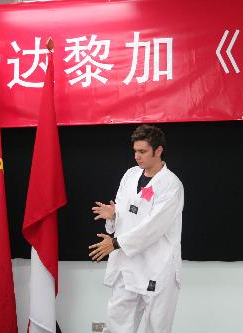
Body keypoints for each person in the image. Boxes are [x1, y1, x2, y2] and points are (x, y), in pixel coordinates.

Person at [89, 124, 184, 333]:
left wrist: (115, 243)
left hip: (157, 265)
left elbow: (153, 227)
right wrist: (114, 215)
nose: (137, 157)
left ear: (158, 151)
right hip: (128, 263)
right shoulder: (131, 175)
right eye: (135, 151)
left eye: (142, 152)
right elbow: (127, 211)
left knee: (156, 327)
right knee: (117, 322)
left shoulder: (171, 185)